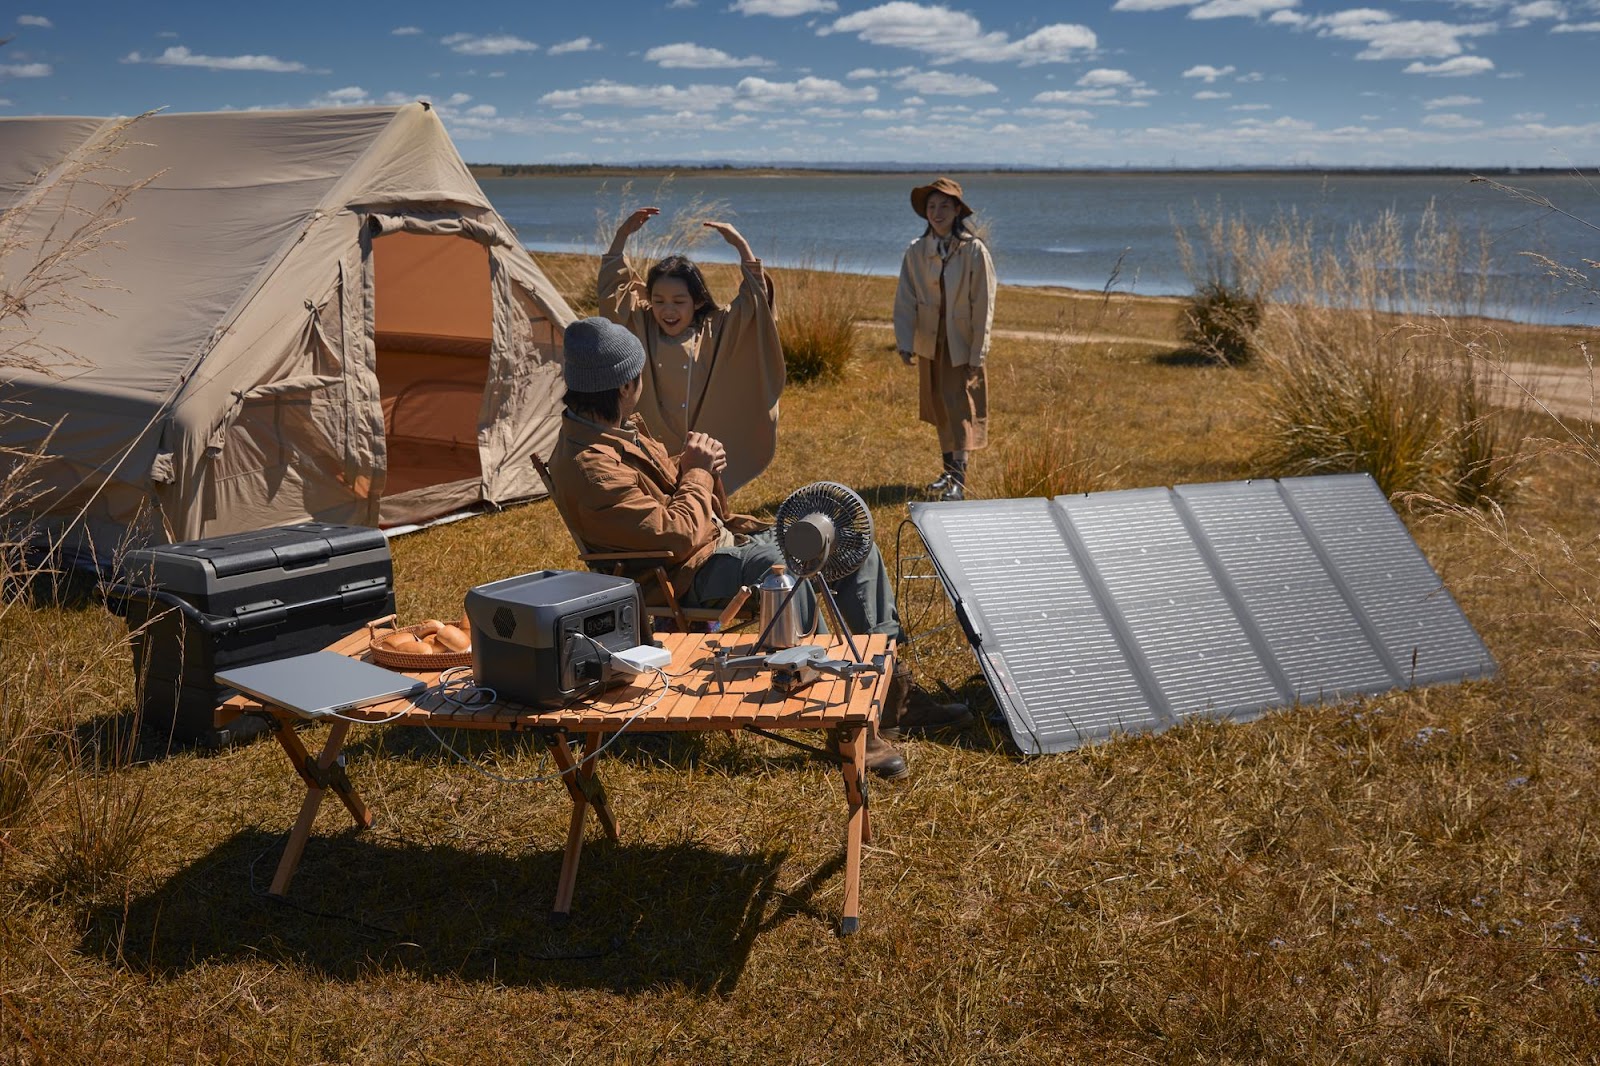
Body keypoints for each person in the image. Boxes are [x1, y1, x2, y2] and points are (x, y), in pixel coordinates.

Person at [548, 317, 971, 780]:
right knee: (789, 568)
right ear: (626, 384)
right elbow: (673, 534)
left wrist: (691, 464)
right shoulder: (590, 466)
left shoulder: (612, 430)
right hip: (684, 574)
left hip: (718, 548)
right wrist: (698, 472)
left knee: (847, 540)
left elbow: (654, 497)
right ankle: (843, 719)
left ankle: (888, 692)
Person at [599, 208, 784, 495]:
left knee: (707, 506)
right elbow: (613, 293)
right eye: (658, 300)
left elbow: (753, 303)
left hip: (702, 441)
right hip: (655, 442)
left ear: (697, 302)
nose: (668, 310)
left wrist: (740, 245)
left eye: (678, 301)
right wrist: (621, 236)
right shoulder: (642, 323)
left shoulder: (715, 328)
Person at [893, 177, 996, 501]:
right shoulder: (916, 250)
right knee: (939, 406)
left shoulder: (974, 251)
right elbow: (905, 298)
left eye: (944, 206)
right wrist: (905, 340)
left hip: (961, 343)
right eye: (931, 206)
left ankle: (958, 481)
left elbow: (984, 304)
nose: (937, 212)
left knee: (959, 408)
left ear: (957, 210)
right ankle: (948, 473)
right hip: (930, 342)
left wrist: (978, 352)